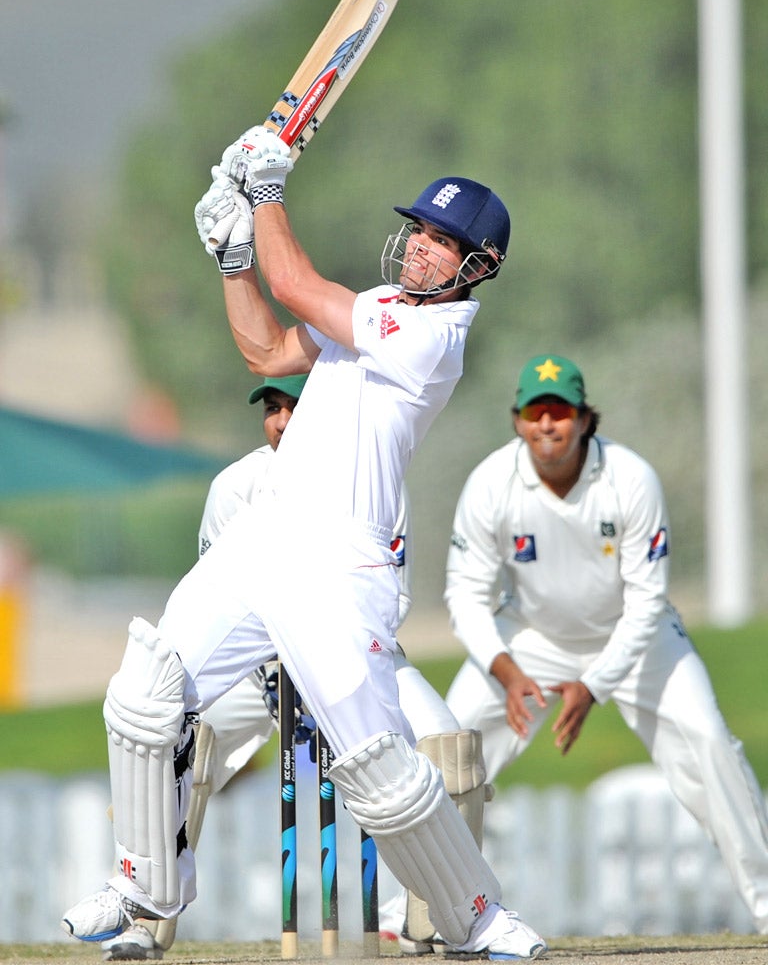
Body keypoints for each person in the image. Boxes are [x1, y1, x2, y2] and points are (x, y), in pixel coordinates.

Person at [61, 125, 546, 960]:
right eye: (423, 233)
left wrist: (268, 193)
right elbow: (267, 347)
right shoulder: (381, 308)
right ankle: (144, 884)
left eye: (445, 244)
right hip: (264, 541)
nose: (424, 250)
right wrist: (232, 260)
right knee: (146, 691)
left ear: (478, 268)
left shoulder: (436, 337)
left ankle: (478, 917)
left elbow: (297, 282)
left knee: (375, 765)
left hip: (340, 562)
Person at [102, 374, 471, 960]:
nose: (281, 421)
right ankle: (145, 917)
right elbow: (211, 604)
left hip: (349, 659)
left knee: (448, 749)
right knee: (169, 739)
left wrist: (319, 659)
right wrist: (275, 667)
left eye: (296, 408)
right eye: (273, 408)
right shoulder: (235, 486)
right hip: (257, 669)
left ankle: (430, 925)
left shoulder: (375, 482)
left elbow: (390, 601)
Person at [443, 352, 768, 935]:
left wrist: (593, 686)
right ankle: (415, 915)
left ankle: (765, 901)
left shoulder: (631, 477)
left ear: (585, 419)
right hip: (532, 636)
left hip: (636, 637)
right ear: (517, 419)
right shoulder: (491, 483)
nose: (548, 425)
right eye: (536, 412)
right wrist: (509, 672)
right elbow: (465, 595)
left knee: (710, 741)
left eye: (561, 412)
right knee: (452, 742)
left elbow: (647, 600)